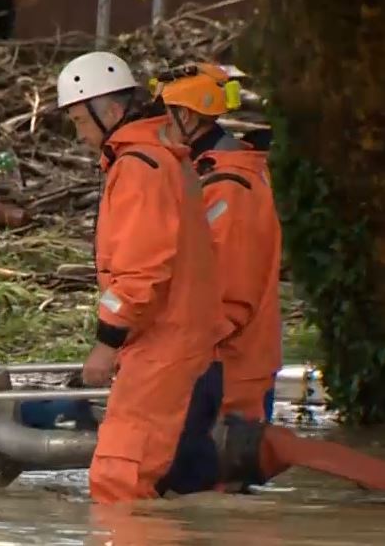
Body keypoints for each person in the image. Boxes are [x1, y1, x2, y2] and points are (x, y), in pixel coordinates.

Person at [56, 51, 225, 504]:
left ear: (109, 111)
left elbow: (141, 270)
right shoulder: (158, 158)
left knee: (119, 483)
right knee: (152, 482)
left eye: (79, 120)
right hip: (170, 341)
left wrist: (106, 342)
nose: (80, 134)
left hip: (161, 345)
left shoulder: (140, 167)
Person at [152, 63, 282, 423]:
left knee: (211, 478)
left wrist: (168, 351)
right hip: (221, 365)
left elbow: (228, 295)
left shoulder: (228, 185)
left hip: (230, 373)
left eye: (165, 115)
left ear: (187, 117)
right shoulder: (218, 173)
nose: (158, 128)